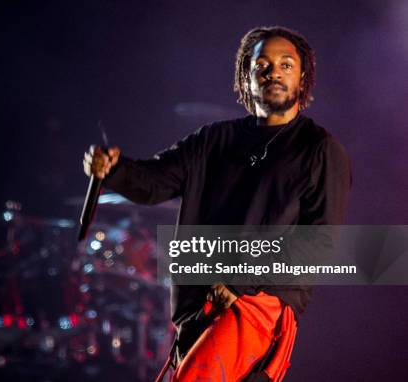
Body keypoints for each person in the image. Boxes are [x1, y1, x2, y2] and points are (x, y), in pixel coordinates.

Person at [83, 26, 351, 381]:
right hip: (197, 305)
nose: (274, 72)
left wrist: (241, 281)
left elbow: (319, 243)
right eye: (263, 65)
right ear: (246, 76)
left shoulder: (319, 149)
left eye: (286, 64)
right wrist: (114, 170)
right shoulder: (214, 140)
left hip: (255, 303)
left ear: (303, 78)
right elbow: (153, 183)